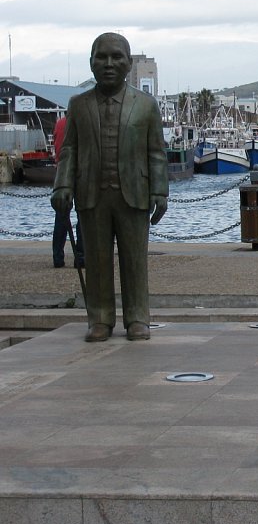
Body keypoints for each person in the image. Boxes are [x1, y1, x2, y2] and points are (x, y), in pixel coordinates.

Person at [51, 33, 168, 342]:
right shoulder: (78, 105)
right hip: (91, 193)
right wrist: (62, 185)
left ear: (129, 64)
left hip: (134, 193)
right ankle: (100, 319)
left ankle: (137, 318)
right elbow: (69, 150)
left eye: (117, 57)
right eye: (101, 57)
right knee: (97, 260)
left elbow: (156, 151)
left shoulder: (145, 105)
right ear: (91, 63)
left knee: (134, 259)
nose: (109, 63)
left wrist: (160, 192)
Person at [50, 116, 84, 269]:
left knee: (61, 216)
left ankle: (58, 257)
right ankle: (81, 257)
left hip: (62, 173)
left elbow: (57, 146)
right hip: (82, 172)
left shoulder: (60, 123)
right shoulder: (83, 122)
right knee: (82, 215)